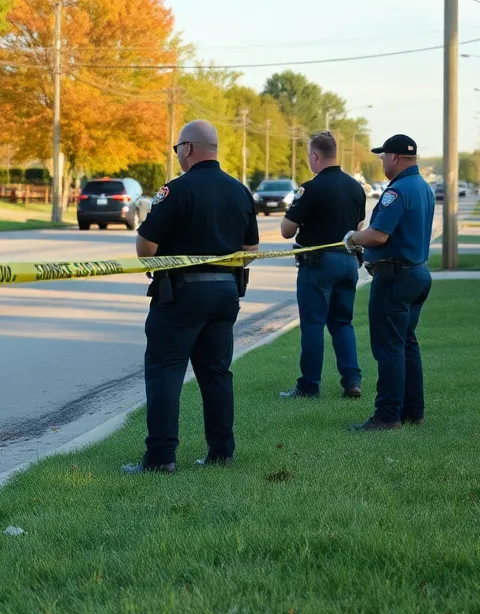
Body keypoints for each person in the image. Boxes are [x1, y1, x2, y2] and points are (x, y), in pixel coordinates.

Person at [124, 119, 259, 474]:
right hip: (226, 293)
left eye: (177, 149)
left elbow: (145, 247)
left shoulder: (175, 191)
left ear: (188, 148)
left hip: (180, 295)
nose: (177, 155)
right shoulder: (240, 191)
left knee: (165, 371)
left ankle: (161, 457)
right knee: (216, 373)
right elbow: (251, 250)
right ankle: (221, 451)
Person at [343, 134, 435, 431]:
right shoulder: (423, 187)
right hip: (416, 273)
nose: (381, 160)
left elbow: (378, 234)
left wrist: (353, 238)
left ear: (395, 157)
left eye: (383, 156)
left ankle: (387, 416)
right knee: (407, 343)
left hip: (395, 277)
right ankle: (413, 411)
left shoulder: (397, 191)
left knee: (389, 347)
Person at [278, 131, 366, 400]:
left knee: (313, 325)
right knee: (342, 323)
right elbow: (359, 227)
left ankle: (309, 386)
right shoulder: (355, 187)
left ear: (315, 155)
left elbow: (285, 230)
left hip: (317, 265)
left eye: (308, 155)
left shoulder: (310, 188)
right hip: (348, 261)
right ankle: (352, 380)